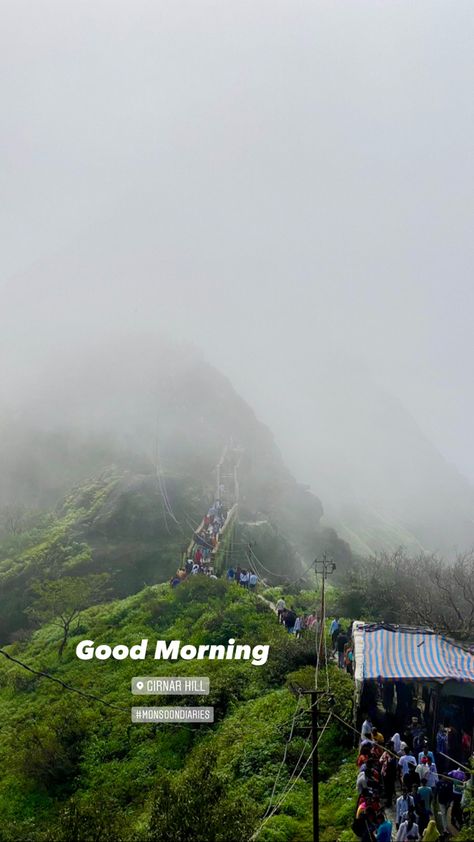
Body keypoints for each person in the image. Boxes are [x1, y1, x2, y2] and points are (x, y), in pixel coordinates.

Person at [380, 741, 397, 806]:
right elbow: (380, 760)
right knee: (386, 788)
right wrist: (384, 760)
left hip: (391, 774)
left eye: (387, 747)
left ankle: (389, 801)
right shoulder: (385, 753)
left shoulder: (394, 754)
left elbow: (392, 762)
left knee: (390, 788)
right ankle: (388, 800)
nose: (386, 748)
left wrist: (388, 759)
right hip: (384, 773)